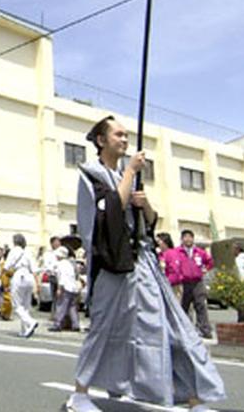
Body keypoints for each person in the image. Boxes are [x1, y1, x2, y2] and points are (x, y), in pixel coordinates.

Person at [66, 116, 224, 412]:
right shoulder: (92, 176)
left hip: (143, 264)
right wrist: (129, 175)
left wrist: (145, 204)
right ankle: (80, 393)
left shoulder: (126, 178)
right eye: (118, 135)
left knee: (171, 326)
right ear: (101, 140)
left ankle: (193, 399)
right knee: (104, 328)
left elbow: (149, 223)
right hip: (112, 266)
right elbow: (108, 214)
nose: (124, 140)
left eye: (127, 136)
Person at [175, 229, 214, 338]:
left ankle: (205, 330)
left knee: (201, 305)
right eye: (185, 237)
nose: (188, 239)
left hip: (197, 282)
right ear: (182, 239)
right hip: (184, 282)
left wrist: (205, 269)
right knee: (184, 307)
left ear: (193, 239)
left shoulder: (199, 252)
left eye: (190, 237)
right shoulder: (177, 252)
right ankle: (185, 331)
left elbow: (210, 261)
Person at [4, 233, 38, 338]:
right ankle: (25, 330)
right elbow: (34, 269)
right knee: (26, 306)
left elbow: (6, 267)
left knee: (17, 305)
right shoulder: (28, 252)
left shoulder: (13, 251)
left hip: (19, 275)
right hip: (29, 277)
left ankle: (30, 322)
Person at [50, 246, 80, 332]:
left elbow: (61, 278)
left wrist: (59, 289)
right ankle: (75, 324)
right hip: (73, 288)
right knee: (72, 307)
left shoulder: (60, 265)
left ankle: (57, 324)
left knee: (61, 306)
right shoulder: (69, 264)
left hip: (65, 287)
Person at [156, 232, 183, 300]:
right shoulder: (160, 255)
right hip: (162, 286)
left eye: (159, 241)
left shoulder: (171, 253)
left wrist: (167, 282)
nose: (157, 243)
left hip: (173, 287)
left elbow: (175, 270)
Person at [41, 236, 61, 322]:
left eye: (58, 242)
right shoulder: (48, 254)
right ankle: (54, 314)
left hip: (61, 276)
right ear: (52, 243)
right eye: (56, 242)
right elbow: (47, 266)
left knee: (60, 296)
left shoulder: (62, 252)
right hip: (53, 276)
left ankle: (59, 314)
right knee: (55, 296)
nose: (58, 244)